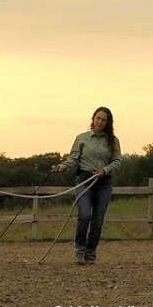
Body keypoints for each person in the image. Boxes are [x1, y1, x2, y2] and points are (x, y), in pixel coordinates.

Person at [50, 106, 122, 264]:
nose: (100, 122)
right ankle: (79, 249)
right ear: (93, 118)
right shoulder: (82, 138)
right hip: (84, 180)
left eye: (104, 120)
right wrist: (61, 167)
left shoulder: (113, 141)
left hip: (103, 182)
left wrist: (105, 170)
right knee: (84, 215)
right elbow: (73, 159)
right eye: (98, 118)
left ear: (108, 123)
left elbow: (117, 161)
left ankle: (91, 252)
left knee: (98, 220)